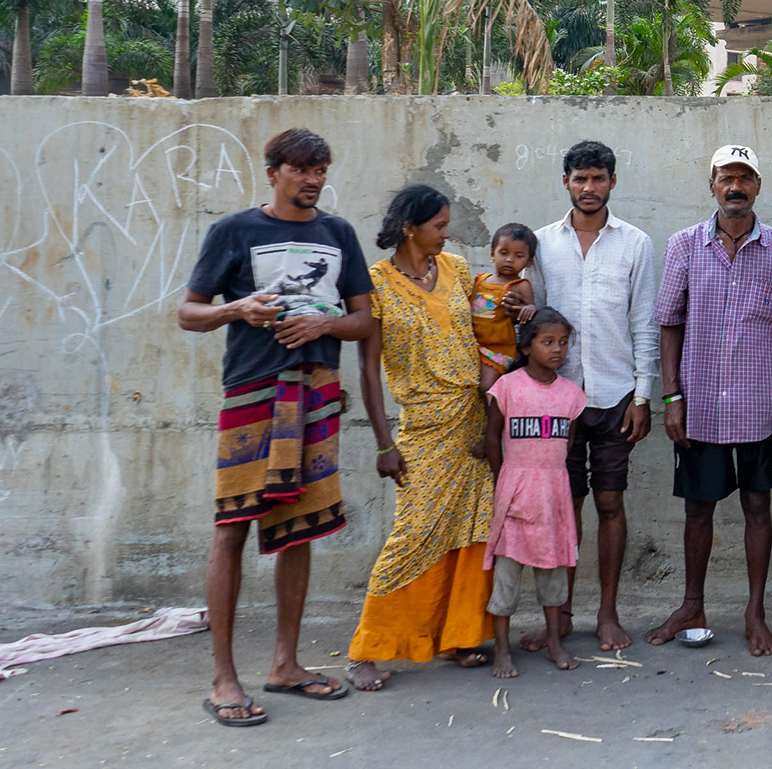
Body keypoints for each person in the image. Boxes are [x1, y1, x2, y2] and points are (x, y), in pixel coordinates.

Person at [179, 127, 373, 725]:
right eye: (301, 170)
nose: (313, 180)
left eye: (321, 170)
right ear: (273, 173)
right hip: (252, 392)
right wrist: (238, 308)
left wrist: (324, 325)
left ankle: (285, 664)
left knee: (300, 528)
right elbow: (188, 312)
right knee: (231, 527)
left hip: (316, 392)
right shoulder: (234, 231)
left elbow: (364, 320)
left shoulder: (338, 233)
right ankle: (223, 678)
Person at [343, 186, 499, 692]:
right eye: (438, 225)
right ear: (410, 227)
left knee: (473, 528)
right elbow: (368, 370)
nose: (446, 233)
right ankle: (368, 649)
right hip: (424, 426)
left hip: (472, 421)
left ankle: (461, 636)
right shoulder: (377, 283)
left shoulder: (457, 269)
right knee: (415, 533)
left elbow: (487, 330)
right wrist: (384, 444)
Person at [648, 144, 772, 657]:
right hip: (701, 405)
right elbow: (669, 322)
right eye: (726, 177)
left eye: (745, 177)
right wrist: (672, 396)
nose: (735, 186)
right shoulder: (684, 246)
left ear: (758, 186)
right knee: (698, 507)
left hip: (760, 404)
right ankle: (692, 605)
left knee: (758, 505)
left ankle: (755, 614)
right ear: (711, 185)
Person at [530, 140, 658, 654]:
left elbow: (643, 323)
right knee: (564, 506)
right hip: (555, 399)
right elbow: (533, 322)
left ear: (612, 182)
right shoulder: (542, 244)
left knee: (609, 502)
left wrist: (643, 396)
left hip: (613, 396)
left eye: (598, 178)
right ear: (565, 181)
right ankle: (559, 616)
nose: (589, 187)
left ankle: (607, 613)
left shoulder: (635, 244)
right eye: (580, 178)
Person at [484, 307, 589, 678]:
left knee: (553, 574)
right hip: (515, 492)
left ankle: (555, 642)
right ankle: (502, 650)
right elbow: (492, 438)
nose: (557, 349)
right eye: (548, 342)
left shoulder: (571, 394)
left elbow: (567, 443)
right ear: (527, 347)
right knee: (506, 579)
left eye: (563, 342)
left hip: (553, 494)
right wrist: (502, 480)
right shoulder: (507, 388)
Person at [471, 223, 539, 393]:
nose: (510, 259)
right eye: (504, 253)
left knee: (487, 387)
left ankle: (496, 411)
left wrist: (530, 309)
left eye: (518, 256)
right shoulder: (480, 280)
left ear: (528, 262)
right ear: (492, 254)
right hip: (472, 345)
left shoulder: (520, 285)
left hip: (498, 349)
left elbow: (530, 310)